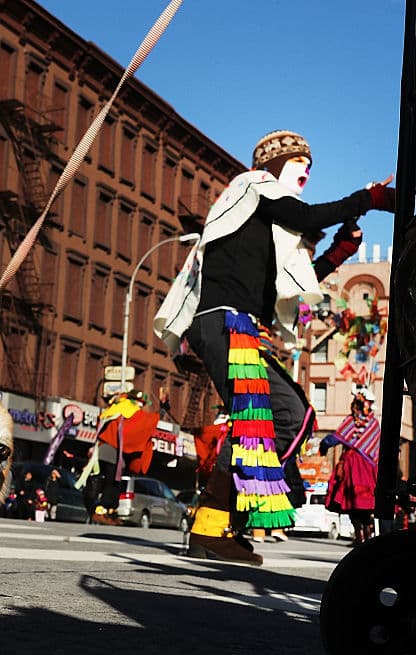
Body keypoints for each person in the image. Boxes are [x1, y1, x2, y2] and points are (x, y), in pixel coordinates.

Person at [155, 129, 396, 564]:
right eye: (299, 160)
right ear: (272, 166)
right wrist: (369, 199)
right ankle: (216, 523)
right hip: (224, 323)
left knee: (280, 419)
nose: (307, 168)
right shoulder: (252, 187)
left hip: (236, 326)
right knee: (287, 415)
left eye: (310, 162)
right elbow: (308, 217)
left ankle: (217, 523)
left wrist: (339, 252)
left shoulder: (261, 226)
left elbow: (287, 289)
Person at [321, 387, 380, 545]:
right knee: (365, 503)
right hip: (369, 468)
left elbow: (334, 438)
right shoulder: (374, 423)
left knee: (352, 502)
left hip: (354, 467)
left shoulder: (353, 421)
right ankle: (366, 535)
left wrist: (324, 445)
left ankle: (360, 536)